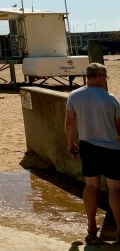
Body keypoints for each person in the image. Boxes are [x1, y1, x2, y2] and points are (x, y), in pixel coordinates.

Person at [65, 62, 120, 244]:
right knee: (115, 188)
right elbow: (119, 128)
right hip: (110, 148)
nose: (105, 80)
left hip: (87, 145)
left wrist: (70, 142)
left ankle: (91, 226)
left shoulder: (74, 95)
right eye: (105, 77)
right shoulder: (111, 99)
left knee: (91, 186)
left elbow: (69, 122)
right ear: (99, 77)